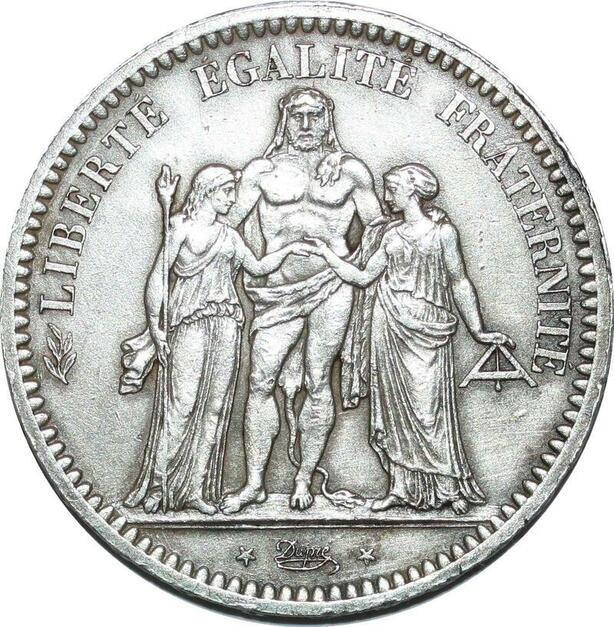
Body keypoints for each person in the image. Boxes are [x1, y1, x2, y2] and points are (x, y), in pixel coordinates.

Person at [308, 163, 513, 514]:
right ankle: (401, 487)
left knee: (430, 409)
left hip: (428, 329)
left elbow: (459, 282)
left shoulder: (443, 233)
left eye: (393, 189)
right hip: (388, 326)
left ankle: (448, 486)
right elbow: (362, 277)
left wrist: (478, 330)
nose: (387, 197)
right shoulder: (391, 236)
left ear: (413, 190)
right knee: (392, 412)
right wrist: (326, 254)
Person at [219, 87, 384, 513]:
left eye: (314, 116)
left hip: (333, 285)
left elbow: (378, 230)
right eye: (298, 116)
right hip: (275, 289)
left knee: (318, 379)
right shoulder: (262, 171)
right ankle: (254, 483)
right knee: (261, 380)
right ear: (285, 120)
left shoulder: (351, 171)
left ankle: (303, 478)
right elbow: (228, 228)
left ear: (327, 119)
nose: (306, 125)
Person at [120, 164, 313, 515]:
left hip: (225, 324)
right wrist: (155, 327)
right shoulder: (180, 226)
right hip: (189, 322)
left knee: (214, 408)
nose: (232, 199)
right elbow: (158, 278)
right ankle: (161, 487)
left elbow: (257, 267)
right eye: (226, 192)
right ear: (208, 192)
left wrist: (288, 250)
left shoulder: (229, 235)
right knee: (181, 405)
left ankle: (195, 489)